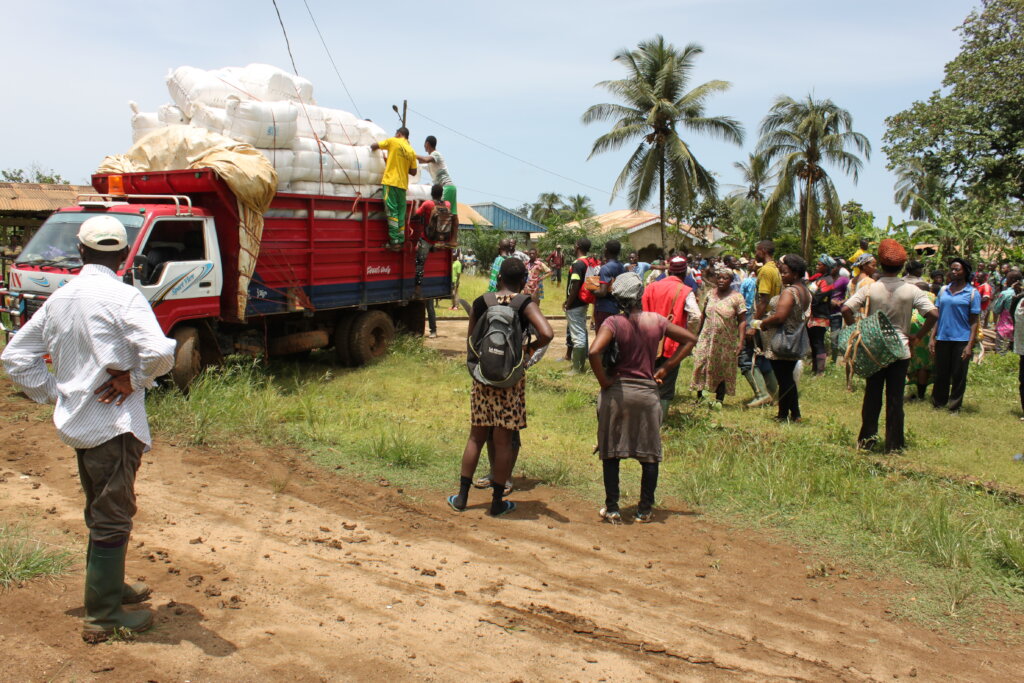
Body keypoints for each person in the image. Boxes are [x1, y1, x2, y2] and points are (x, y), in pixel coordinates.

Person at [1, 215, 176, 642]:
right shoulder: (125, 297)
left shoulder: (61, 298)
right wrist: (131, 380)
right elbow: (161, 353)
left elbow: (14, 358)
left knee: (101, 509)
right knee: (113, 517)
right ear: (121, 256)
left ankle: (110, 589)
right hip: (114, 425)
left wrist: (56, 393)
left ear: (80, 253)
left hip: (79, 423)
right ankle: (103, 616)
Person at [588, 272, 696, 523]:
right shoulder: (655, 321)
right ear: (640, 295)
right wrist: (665, 369)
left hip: (617, 394)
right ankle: (644, 509)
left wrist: (604, 380)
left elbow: (594, 352)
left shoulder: (613, 323)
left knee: (611, 452)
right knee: (649, 454)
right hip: (647, 394)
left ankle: (612, 507)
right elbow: (690, 339)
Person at [449, 258, 553, 517]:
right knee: (504, 440)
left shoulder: (482, 301)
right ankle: (497, 503)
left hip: (483, 378)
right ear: (521, 281)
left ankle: (462, 497)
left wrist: (476, 367)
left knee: (476, 436)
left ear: (499, 278)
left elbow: (471, 340)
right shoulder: (523, 304)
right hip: (510, 382)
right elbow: (548, 334)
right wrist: (527, 350)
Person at [842, 240, 937, 452]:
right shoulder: (912, 290)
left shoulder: (871, 288)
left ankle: (866, 440)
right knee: (895, 399)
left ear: (882, 265)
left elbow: (846, 309)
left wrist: (858, 331)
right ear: (901, 266)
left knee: (872, 396)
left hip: (875, 349)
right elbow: (933, 314)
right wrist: (917, 336)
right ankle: (894, 444)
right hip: (900, 349)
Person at [752, 254, 810, 423]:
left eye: (785, 273)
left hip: (783, 338)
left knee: (784, 379)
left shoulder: (790, 292)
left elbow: (780, 317)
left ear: (796, 273)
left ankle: (796, 414)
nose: (782, 276)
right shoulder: (804, 290)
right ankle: (783, 414)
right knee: (786, 378)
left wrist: (762, 323)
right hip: (795, 337)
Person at [642, 256, 702, 417]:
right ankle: (658, 423)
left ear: (668, 270)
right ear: (685, 272)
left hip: (648, 341)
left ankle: (643, 417)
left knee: (646, 380)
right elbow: (696, 315)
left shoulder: (651, 287)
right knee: (666, 387)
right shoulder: (685, 291)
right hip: (672, 345)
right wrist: (689, 333)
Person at [930, 258, 981, 412]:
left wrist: (969, 345)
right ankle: (938, 402)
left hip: (962, 339)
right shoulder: (944, 290)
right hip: (943, 338)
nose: (953, 272)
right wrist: (932, 337)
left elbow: (974, 321)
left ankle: (954, 406)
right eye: (951, 269)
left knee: (958, 375)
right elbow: (938, 315)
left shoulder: (972, 293)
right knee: (941, 373)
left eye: (957, 269)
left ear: (965, 271)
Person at [690, 268, 747, 404]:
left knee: (722, 367)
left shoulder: (737, 297)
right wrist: (696, 335)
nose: (721, 281)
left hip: (726, 339)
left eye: (725, 278)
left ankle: (719, 400)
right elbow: (703, 315)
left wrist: (741, 341)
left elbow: (742, 321)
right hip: (706, 336)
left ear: (731, 280)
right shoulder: (710, 294)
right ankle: (700, 396)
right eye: (719, 277)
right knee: (701, 363)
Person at [411, 184, 451, 337]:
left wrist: (416, 204)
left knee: (420, 263)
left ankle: (417, 288)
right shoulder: (447, 204)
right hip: (440, 240)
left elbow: (415, 215)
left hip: (427, 239)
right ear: (441, 194)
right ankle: (435, 248)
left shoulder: (427, 204)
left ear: (431, 193)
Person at [370, 127, 418, 250]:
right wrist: (402, 164)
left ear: (399, 134)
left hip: (391, 182)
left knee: (392, 211)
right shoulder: (411, 151)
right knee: (401, 213)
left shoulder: (393, 141)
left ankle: (394, 241)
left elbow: (374, 146)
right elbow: (413, 171)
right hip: (402, 186)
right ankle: (401, 239)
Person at [415, 136, 458, 246]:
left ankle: (441, 239)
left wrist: (411, 153)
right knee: (452, 214)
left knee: (441, 212)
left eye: (424, 144)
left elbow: (424, 159)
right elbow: (421, 163)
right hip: (450, 187)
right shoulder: (430, 163)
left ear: (427, 144)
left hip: (446, 187)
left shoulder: (436, 154)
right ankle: (452, 240)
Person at [564, 238, 594, 374]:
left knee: (577, 335)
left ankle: (577, 368)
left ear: (577, 246)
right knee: (581, 331)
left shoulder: (578, 264)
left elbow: (575, 285)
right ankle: (581, 364)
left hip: (576, 303)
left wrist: (568, 303)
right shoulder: (589, 262)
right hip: (584, 301)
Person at [806, 254, 838, 376]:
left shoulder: (828, 281)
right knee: (813, 342)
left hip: (821, 315)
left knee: (818, 342)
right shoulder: (819, 279)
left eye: (819, 264)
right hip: (813, 315)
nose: (817, 266)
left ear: (826, 267)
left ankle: (820, 371)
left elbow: (818, 297)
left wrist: (809, 299)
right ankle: (815, 369)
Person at [593, 239, 626, 330]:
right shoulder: (622, 267)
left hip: (604, 308)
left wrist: (591, 288)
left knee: (602, 336)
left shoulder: (605, 268)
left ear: (606, 250)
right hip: (616, 308)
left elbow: (602, 292)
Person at [991, 270, 1022, 353]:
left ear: (1011, 280)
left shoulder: (1006, 293)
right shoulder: (1022, 293)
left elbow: (996, 310)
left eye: (1007, 279)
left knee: (1001, 353)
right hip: (1019, 329)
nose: (1005, 281)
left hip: (1004, 329)